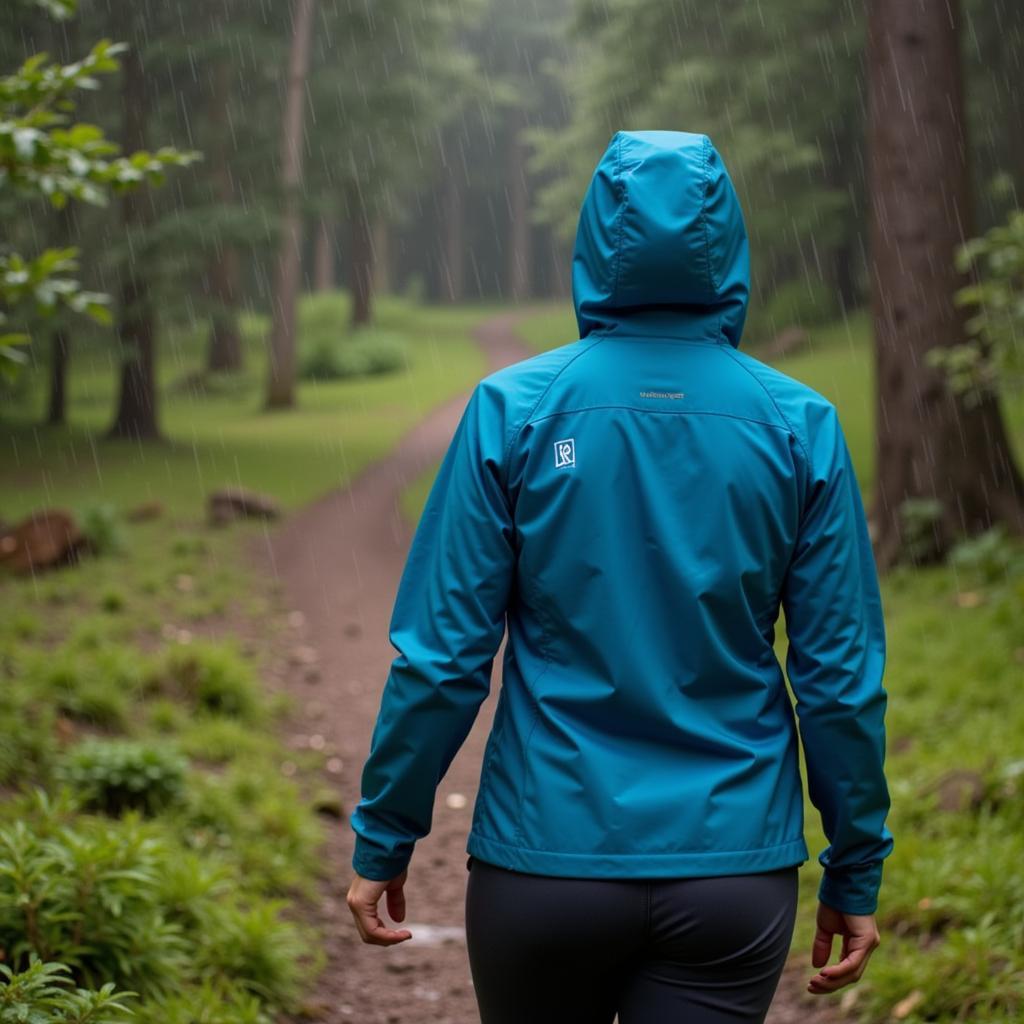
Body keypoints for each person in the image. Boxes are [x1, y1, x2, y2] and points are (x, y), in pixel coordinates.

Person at [346, 129, 894, 1024]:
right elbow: (838, 681)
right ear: (728, 243)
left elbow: (442, 660)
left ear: (598, 238)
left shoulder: (513, 412)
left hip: (543, 866)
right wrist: (856, 864)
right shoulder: (800, 425)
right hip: (732, 872)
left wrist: (385, 835)